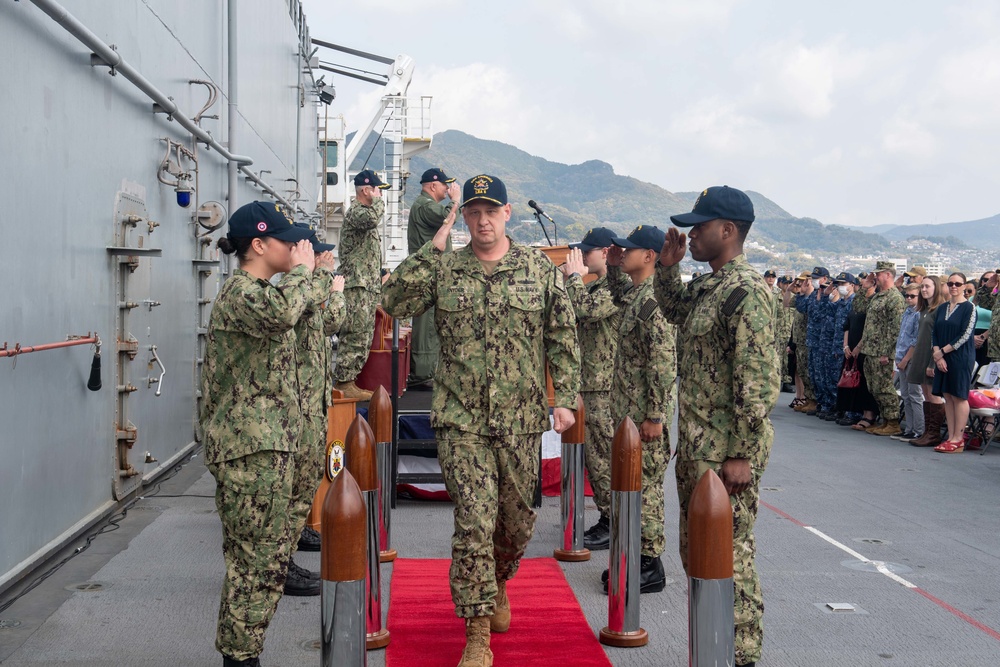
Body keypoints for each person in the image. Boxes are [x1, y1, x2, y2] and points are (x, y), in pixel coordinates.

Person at [381, 174, 580, 667]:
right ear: (464, 216)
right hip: (460, 419)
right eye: (473, 211)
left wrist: (567, 398)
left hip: (519, 417)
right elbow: (394, 300)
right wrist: (434, 245)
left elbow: (562, 335)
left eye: (491, 210)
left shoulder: (537, 268)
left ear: (507, 213)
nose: (483, 219)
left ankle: (497, 581)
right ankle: (475, 632)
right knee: (473, 520)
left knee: (516, 521)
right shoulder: (445, 270)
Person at [655, 185, 778, 667]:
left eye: (700, 226)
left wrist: (743, 452)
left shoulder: (746, 291)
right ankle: (715, 649)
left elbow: (758, 380)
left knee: (731, 556)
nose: (691, 233)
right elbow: (673, 312)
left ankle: (741, 656)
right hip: (700, 446)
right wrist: (668, 269)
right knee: (700, 554)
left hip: (727, 450)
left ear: (728, 232)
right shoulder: (710, 287)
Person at [200, 201, 318, 667]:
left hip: (268, 447)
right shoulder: (242, 294)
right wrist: (305, 272)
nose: (294, 247)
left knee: (265, 563)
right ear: (258, 245)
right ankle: (240, 657)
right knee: (255, 565)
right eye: (286, 240)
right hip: (249, 453)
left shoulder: (263, 291)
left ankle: (243, 654)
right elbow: (286, 311)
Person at [601, 225, 677, 593]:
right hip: (629, 411)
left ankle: (649, 564)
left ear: (649, 256)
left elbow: (662, 362)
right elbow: (619, 300)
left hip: (644, 414)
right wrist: (614, 268)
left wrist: (655, 417)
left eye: (630, 250)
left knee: (645, 488)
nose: (623, 252)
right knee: (631, 484)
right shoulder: (639, 294)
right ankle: (633, 556)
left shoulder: (654, 301)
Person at [560, 227, 623, 551]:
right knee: (596, 460)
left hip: (604, 386)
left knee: (602, 460)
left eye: (589, 251)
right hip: (591, 384)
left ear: (607, 251)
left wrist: (572, 278)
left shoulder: (616, 286)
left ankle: (613, 522)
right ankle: (609, 517)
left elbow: (586, 310)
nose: (583, 256)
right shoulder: (598, 285)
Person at [289, 223, 346, 557]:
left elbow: (326, 324)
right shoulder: (296, 289)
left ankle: (298, 531)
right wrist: (328, 282)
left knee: (307, 474)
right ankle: (287, 546)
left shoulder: (305, 289)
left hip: (313, 396)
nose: (325, 258)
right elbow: (324, 315)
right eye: (318, 253)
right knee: (296, 475)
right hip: (299, 399)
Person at [335, 169, 390, 400]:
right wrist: (378, 203)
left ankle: (349, 381)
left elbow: (364, 253)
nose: (380, 195)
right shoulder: (358, 212)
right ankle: (343, 383)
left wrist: (380, 272)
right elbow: (371, 219)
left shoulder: (363, 213)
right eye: (378, 190)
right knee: (355, 332)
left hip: (366, 284)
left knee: (364, 333)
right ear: (366, 190)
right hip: (357, 286)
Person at [407, 168, 462, 388]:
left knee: (432, 323)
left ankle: (429, 370)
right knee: (427, 323)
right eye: (444, 185)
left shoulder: (425, 204)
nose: (448, 189)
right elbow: (447, 219)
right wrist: (456, 200)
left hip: (433, 273)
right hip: (428, 273)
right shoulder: (425, 205)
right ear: (432, 186)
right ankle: (422, 373)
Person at [931, 272, 978, 453]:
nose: (954, 287)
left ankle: (959, 438)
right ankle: (951, 436)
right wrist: (937, 353)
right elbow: (934, 332)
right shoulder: (942, 308)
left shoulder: (969, 308)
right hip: (942, 356)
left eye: (958, 284)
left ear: (964, 286)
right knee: (947, 395)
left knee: (959, 395)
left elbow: (966, 335)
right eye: (950, 283)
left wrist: (942, 352)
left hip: (960, 356)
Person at [858, 261, 906, 435]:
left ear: (888, 274)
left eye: (878, 274)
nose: (875, 276)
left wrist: (887, 352)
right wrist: (866, 286)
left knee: (885, 387)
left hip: (882, 352)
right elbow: (858, 308)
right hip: (870, 349)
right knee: (874, 387)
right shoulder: (878, 296)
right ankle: (885, 420)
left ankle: (893, 422)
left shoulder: (895, 298)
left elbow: (896, 329)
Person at [908, 276, 948, 447]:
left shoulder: (940, 309)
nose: (924, 290)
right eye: (922, 287)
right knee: (925, 394)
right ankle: (927, 431)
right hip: (921, 353)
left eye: (927, 286)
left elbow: (938, 337)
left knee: (933, 395)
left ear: (936, 288)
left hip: (931, 355)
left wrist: (933, 362)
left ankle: (934, 433)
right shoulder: (925, 310)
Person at [892, 284, 923, 440]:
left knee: (914, 394)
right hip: (901, 358)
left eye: (913, 296)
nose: (908, 298)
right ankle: (909, 428)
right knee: (905, 395)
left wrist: (905, 359)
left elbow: (915, 340)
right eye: (907, 295)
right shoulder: (907, 312)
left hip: (911, 359)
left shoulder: (919, 314)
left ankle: (919, 429)